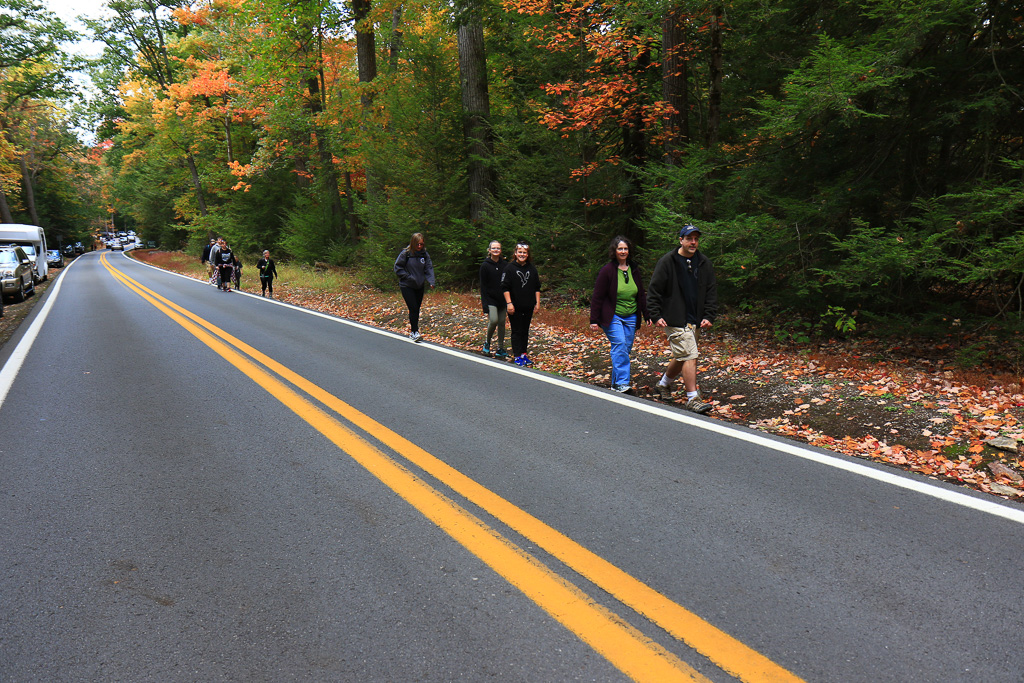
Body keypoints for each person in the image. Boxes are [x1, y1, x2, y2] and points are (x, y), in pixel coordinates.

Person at [647, 224, 718, 414]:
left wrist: (709, 315)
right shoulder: (668, 261)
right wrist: (655, 315)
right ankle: (693, 398)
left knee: (682, 355)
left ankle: (663, 385)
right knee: (690, 355)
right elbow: (654, 290)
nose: (693, 242)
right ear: (681, 240)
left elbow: (711, 291)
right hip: (675, 318)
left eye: (696, 239)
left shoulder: (703, 262)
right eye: (689, 238)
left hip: (695, 319)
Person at [589, 235, 650, 394]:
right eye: (620, 249)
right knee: (620, 344)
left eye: (625, 249)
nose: (623, 252)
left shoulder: (634, 269)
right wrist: (594, 319)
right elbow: (597, 296)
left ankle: (616, 384)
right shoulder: (607, 271)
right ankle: (622, 383)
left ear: (629, 251)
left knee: (625, 349)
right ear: (614, 251)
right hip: (613, 316)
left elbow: (641, 294)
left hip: (631, 315)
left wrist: (647, 315)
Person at [501, 241, 541, 367]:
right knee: (516, 330)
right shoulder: (509, 268)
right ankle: (517, 355)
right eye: (520, 252)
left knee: (525, 330)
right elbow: (505, 287)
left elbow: (537, 287)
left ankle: (524, 354)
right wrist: (509, 303)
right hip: (514, 306)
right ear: (515, 253)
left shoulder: (532, 269)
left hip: (528, 305)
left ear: (528, 254)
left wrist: (537, 303)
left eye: (524, 253)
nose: (522, 254)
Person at [393, 232, 435, 341]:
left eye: (421, 244)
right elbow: (398, 268)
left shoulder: (424, 255)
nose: (419, 246)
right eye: (417, 244)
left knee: (417, 308)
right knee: (413, 308)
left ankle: (415, 331)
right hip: (407, 285)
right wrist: (408, 277)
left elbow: (428, 268)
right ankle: (414, 332)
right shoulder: (406, 254)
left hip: (419, 285)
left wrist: (431, 281)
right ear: (413, 243)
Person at [479, 240, 508, 358]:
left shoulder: (505, 265)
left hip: (503, 299)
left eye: (498, 248)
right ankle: (487, 342)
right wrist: (485, 305)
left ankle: (500, 347)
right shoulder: (485, 266)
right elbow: (483, 286)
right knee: (494, 320)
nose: (496, 250)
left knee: (502, 322)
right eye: (494, 248)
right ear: (489, 250)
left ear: (500, 250)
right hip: (491, 299)